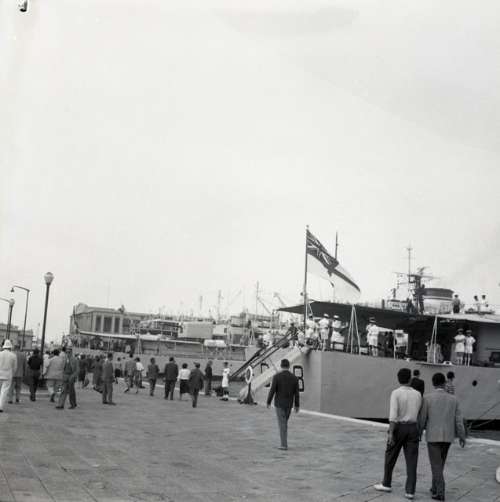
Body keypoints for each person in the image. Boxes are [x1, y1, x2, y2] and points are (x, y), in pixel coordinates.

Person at [374, 368, 422, 500]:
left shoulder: (395, 393)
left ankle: (386, 483)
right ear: (410, 379)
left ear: (398, 379)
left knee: (390, 456)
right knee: (412, 460)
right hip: (413, 427)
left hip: (399, 428)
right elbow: (419, 412)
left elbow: (393, 415)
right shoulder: (418, 394)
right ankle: (410, 491)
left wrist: (391, 433)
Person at [418, 372, 466, 501]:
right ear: (444, 383)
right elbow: (458, 421)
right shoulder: (454, 399)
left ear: (433, 383)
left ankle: (440, 491)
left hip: (433, 436)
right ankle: (434, 487)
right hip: (448, 437)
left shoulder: (427, 398)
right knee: (440, 464)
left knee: (436, 465)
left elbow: (422, 418)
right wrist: (462, 436)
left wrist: (419, 432)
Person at [266, 358, 300, 451]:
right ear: (289, 366)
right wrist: (297, 405)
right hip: (289, 405)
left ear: (281, 366)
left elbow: (272, 390)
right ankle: (284, 443)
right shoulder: (294, 378)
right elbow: (297, 393)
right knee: (284, 423)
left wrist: (268, 402)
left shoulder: (277, 377)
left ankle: (284, 445)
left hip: (279, 404)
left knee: (282, 424)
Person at [56, 345, 79, 410]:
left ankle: (73, 404)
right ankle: (60, 404)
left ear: (71, 352)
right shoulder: (64, 359)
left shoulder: (75, 360)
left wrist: (73, 376)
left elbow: (77, 370)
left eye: (69, 352)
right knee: (62, 391)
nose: (68, 353)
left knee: (71, 392)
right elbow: (61, 368)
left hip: (71, 377)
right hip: (64, 376)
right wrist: (61, 375)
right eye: (67, 352)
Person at [0, 340, 17, 413]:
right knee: (4, 391)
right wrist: (12, 373)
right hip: (7, 375)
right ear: (10, 347)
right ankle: (0, 407)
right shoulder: (13, 355)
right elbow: (15, 367)